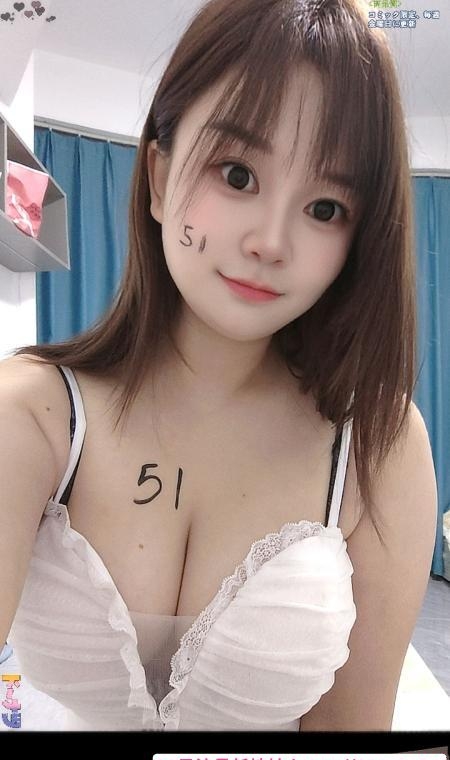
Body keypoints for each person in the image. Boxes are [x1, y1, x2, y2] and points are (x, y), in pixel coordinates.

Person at [0, 0, 437, 733]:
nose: (271, 242)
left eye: (326, 209)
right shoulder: (32, 414)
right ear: (160, 177)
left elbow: (353, 736)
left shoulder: (377, 445)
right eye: (237, 174)